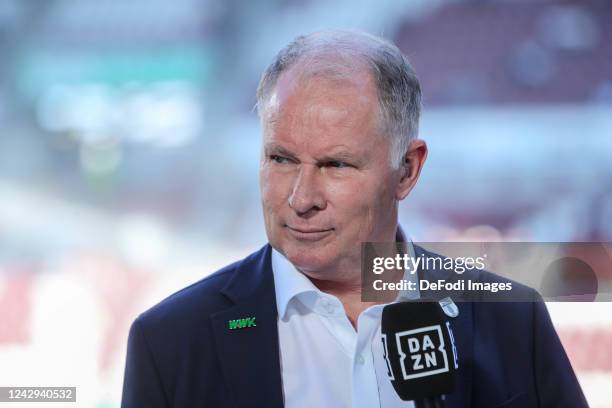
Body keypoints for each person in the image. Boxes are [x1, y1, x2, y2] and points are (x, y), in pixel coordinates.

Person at [121, 31, 587, 407]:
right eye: (280, 159)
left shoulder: (509, 319)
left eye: (335, 165)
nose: (301, 198)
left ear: (407, 170)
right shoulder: (171, 342)